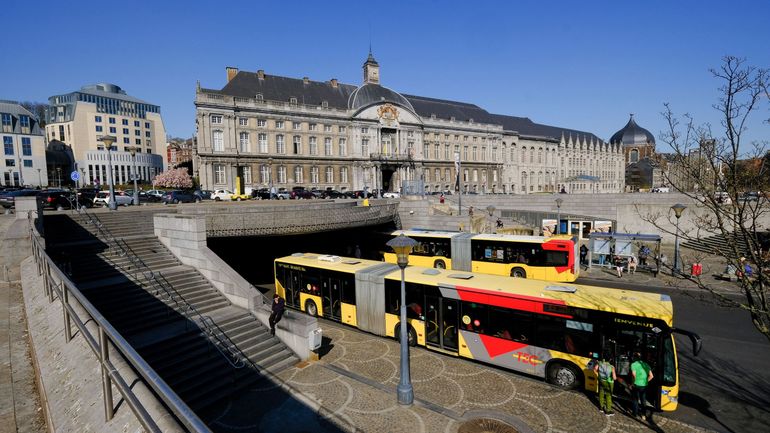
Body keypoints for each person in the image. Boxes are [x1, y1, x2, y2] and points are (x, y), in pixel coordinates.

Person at [630, 352, 653, 420]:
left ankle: (635, 414)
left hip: (636, 385)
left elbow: (634, 375)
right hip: (644, 386)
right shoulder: (646, 365)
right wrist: (645, 381)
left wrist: (632, 384)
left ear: (635, 358)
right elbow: (651, 376)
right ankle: (643, 415)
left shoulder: (633, 364)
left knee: (635, 400)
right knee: (643, 401)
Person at [593, 350, 617, 416]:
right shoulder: (612, 367)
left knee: (601, 393)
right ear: (610, 359)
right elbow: (614, 378)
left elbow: (594, 370)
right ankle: (608, 411)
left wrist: (599, 375)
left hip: (601, 380)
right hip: (609, 382)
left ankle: (601, 407)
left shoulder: (599, 363)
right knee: (608, 396)